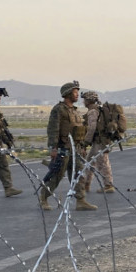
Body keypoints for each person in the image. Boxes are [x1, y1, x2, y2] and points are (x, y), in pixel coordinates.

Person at [41, 81, 97, 211]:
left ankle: (81, 200)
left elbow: (79, 130)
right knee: (57, 175)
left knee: (79, 174)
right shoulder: (59, 109)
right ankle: (43, 197)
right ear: (67, 94)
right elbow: (53, 129)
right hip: (63, 148)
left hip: (75, 148)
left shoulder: (74, 111)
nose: (77, 95)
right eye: (75, 92)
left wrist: (82, 146)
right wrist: (53, 148)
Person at [81, 91, 114, 193]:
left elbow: (91, 128)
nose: (83, 101)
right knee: (89, 162)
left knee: (102, 163)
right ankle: (86, 184)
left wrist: (85, 142)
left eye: (85, 99)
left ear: (88, 100)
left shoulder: (93, 112)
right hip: (99, 141)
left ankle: (108, 185)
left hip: (100, 141)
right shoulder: (97, 109)